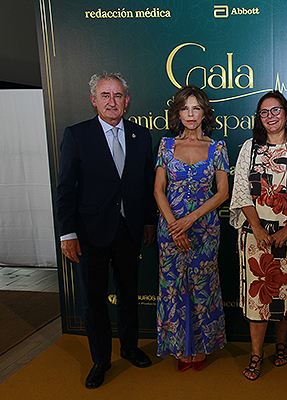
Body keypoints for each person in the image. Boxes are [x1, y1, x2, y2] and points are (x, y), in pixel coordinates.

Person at [56, 72, 156, 389]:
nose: (112, 102)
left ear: (127, 101)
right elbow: (65, 188)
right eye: (105, 95)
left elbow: (145, 186)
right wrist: (67, 233)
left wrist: (149, 222)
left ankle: (129, 347)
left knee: (129, 294)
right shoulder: (77, 135)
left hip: (129, 230)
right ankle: (100, 359)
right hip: (90, 234)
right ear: (94, 100)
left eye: (118, 96)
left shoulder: (142, 136)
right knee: (94, 300)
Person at [230, 90, 287, 380]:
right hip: (255, 236)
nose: (270, 116)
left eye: (275, 110)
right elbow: (241, 190)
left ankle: (282, 345)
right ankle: (256, 354)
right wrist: (256, 228)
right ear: (259, 118)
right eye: (264, 112)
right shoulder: (249, 148)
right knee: (258, 298)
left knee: (283, 294)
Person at [154, 85, 229, 372]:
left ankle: (200, 348)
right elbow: (158, 190)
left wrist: (190, 220)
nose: (190, 114)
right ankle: (178, 349)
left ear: (204, 112)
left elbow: (222, 192)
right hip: (170, 228)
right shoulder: (166, 146)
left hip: (204, 228)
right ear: (177, 112)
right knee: (172, 287)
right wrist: (176, 225)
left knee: (202, 287)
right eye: (185, 108)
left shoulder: (216, 147)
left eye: (195, 108)